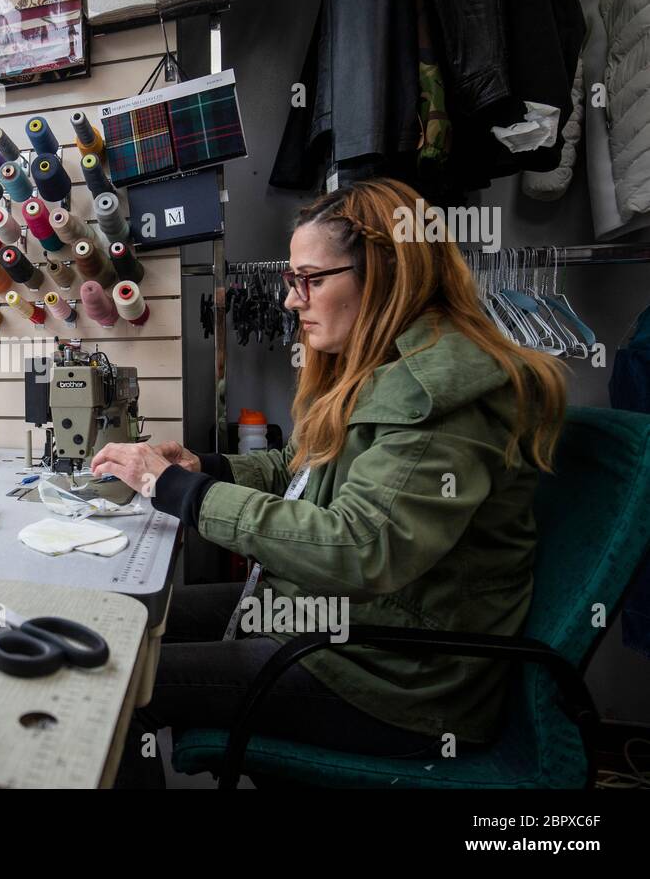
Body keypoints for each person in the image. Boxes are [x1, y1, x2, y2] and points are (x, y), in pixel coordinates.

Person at [91, 177, 568, 787]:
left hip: (391, 678)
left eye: (309, 280)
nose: (291, 300)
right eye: (293, 281)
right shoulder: (378, 366)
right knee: (125, 617)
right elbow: (302, 468)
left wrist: (181, 494)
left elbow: (360, 547)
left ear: (387, 272)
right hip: (340, 623)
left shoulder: (437, 393)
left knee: (120, 677)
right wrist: (202, 468)